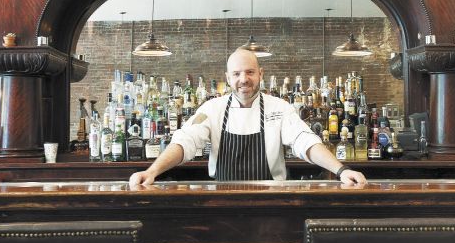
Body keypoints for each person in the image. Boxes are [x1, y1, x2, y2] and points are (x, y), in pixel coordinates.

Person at [129, 49, 366, 186]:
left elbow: (306, 142)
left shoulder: (280, 108)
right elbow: (185, 142)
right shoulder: (212, 108)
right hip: (222, 199)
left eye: (250, 72)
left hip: (273, 198)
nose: (244, 79)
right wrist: (152, 171)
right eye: (237, 73)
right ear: (228, 77)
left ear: (260, 74)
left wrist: (341, 170)